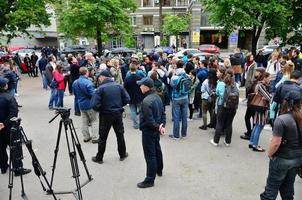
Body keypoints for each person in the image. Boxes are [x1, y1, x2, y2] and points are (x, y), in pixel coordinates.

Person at [260, 90, 302, 200]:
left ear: (285, 102)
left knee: (271, 190)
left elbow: (276, 142)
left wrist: (270, 154)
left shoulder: (281, 119)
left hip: (282, 158)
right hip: (297, 158)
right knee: (288, 188)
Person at [91, 70, 130, 164]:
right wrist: (119, 105)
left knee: (103, 137)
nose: (99, 79)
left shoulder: (100, 88)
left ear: (103, 77)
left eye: (99, 77)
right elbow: (127, 99)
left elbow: (94, 104)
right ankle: (122, 154)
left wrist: (102, 109)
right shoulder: (118, 86)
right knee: (120, 134)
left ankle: (99, 157)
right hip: (117, 113)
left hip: (106, 115)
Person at [136, 77, 166, 188]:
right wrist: (162, 126)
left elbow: (149, 120)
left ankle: (149, 180)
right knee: (157, 150)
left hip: (149, 131)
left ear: (146, 87)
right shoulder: (157, 97)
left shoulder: (146, 101)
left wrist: (159, 127)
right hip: (155, 130)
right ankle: (159, 169)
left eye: (141, 85)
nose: (140, 87)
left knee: (150, 155)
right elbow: (163, 113)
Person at [0, 77, 31, 176]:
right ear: (4, 86)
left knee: (1, 148)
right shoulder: (9, 97)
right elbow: (13, 114)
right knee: (15, 148)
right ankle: (17, 168)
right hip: (9, 128)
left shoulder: (8, 97)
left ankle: (3, 167)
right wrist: (4, 123)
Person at [211, 68, 239, 146]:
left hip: (222, 106)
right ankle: (227, 142)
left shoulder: (221, 83)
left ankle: (216, 141)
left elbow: (217, 93)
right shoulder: (236, 84)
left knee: (219, 123)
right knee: (229, 124)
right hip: (233, 107)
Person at [72, 67, 98, 143]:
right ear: (86, 72)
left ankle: (86, 137)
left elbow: (75, 94)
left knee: (84, 121)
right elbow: (93, 94)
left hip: (81, 104)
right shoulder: (88, 82)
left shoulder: (75, 82)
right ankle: (95, 137)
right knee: (94, 120)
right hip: (90, 104)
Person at [249, 72, 272, 152]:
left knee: (257, 126)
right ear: (264, 77)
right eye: (269, 78)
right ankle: (255, 145)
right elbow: (269, 97)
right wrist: (269, 96)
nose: (270, 79)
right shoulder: (261, 86)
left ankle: (252, 142)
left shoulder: (259, 85)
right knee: (259, 126)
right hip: (261, 108)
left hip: (258, 107)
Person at [170, 60, 190, 140]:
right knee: (184, 116)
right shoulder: (187, 76)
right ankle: (184, 134)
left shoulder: (174, 77)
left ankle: (176, 135)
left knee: (176, 117)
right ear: (183, 66)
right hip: (185, 97)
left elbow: (172, 85)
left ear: (176, 66)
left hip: (176, 98)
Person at [124, 62, 144, 129]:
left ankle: (135, 124)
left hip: (130, 96)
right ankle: (141, 123)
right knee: (141, 110)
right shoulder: (139, 77)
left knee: (133, 111)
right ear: (136, 69)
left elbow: (125, 88)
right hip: (139, 96)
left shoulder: (127, 79)